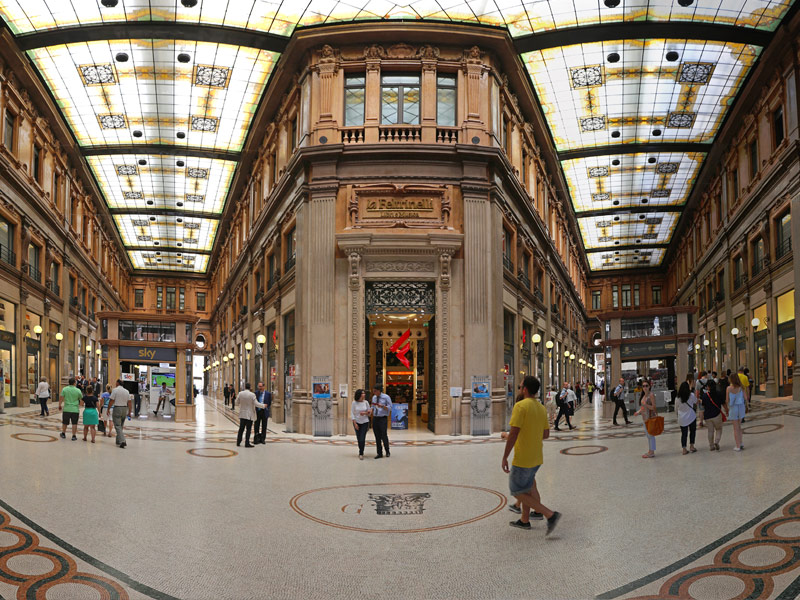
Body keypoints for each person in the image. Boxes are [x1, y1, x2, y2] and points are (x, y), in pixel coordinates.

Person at [501, 375, 561, 535]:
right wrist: (531, 435)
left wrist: (504, 456)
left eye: (520, 387)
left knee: (516, 491)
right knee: (528, 487)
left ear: (525, 389)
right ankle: (524, 520)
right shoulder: (540, 407)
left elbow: (513, 434)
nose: (520, 389)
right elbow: (546, 434)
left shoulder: (520, 406)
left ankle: (550, 514)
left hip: (523, 458)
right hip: (536, 457)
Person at [235, 382, 265, 448]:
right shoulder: (252, 395)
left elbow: (236, 402)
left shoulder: (240, 393)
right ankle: (247, 443)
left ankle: (238, 442)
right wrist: (263, 405)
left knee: (241, 429)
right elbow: (256, 404)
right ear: (250, 387)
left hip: (242, 414)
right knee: (248, 429)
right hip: (249, 415)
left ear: (245, 387)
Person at [700, 379, 725, 451]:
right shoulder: (719, 393)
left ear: (708, 387)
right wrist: (727, 410)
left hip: (708, 416)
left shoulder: (705, 396)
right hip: (717, 414)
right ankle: (716, 441)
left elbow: (703, 405)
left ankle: (711, 446)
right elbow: (723, 403)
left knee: (710, 431)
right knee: (719, 429)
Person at [634, 379, 657, 458]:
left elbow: (654, 407)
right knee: (648, 435)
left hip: (650, 417)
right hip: (645, 418)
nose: (645, 388)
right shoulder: (643, 396)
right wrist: (638, 412)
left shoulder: (651, 395)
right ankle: (650, 450)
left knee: (651, 435)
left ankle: (652, 452)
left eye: (646, 386)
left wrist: (646, 405)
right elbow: (643, 407)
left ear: (649, 386)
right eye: (643, 386)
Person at [107, 380, 131, 449]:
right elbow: (129, 402)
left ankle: (123, 440)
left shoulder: (115, 390)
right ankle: (118, 441)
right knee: (121, 425)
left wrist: (108, 409)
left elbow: (111, 400)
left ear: (117, 383)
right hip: (124, 409)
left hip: (117, 408)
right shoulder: (126, 391)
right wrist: (129, 412)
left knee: (117, 425)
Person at [727, 374, 748, 451]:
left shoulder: (728, 388)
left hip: (733, 408)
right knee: (739, 426)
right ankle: (741, 442)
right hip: (741, 407)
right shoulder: (741, 388)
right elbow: (746, 398)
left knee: (735, 428)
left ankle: (737, 445)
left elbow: (727, 400)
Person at [675, 381, 697, 455]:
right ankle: (692, 446)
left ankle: (684, 449)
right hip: (691, 416)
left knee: (684, 434)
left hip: (682, 418)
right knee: (692, 431)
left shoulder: (677, 398)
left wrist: (677, 415)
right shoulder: (691, 395)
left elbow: (676, 409)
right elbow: (695, 401)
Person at [371, 385, 392, 459]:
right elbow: (372, 406)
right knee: (377, 436)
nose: (374, 392)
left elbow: (390, 407)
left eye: (375, 391)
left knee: (384, 435)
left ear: (379, 390)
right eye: (373, 391)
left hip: (382, 418)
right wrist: (370, 410)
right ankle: (379, 453)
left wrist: (382, 406)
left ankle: (387, 451)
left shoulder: (386, 397)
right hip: (375, 418)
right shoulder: (374, 397)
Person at [351, 389, 371, 460]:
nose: (364, 394)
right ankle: (361, 450)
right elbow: (352, 414)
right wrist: (355, 423)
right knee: (359, 438)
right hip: (356, 422)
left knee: (362, 438)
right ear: (359, 394)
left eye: (364, 393)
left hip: (365, 422)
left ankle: (361, 453)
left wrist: (365, 413)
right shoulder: (354, 403)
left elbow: (369, 412)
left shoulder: (366, 402)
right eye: (363, 393)